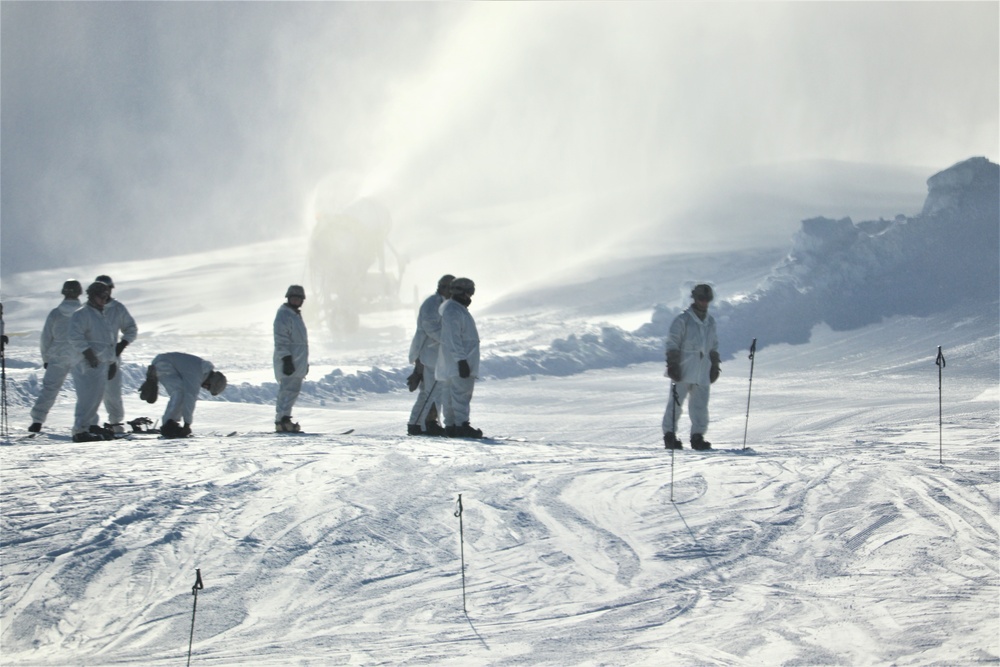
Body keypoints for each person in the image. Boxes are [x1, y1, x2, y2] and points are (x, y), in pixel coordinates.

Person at [663, 283, 721, 450]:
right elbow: (672, 342)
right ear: (695, 299)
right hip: (682, 369)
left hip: (703, 371)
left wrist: (715, 364)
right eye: (701, 299)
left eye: (706, 299)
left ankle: (697, 437)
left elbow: (713, 345)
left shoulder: (710, 322)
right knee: (675, 404)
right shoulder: (683, 320)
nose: (704, 302)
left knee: (700, 406)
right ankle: (669, 435)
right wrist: (673, 364)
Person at [29, 280, 83, 433]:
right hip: (80, 355)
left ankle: (37, 421)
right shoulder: (85, 312)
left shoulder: (55, 313)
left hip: (58, 355)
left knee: (49, 389)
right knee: (85, 391)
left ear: (63, 293)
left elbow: (46, 338)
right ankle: (85, 423)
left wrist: (46, 359)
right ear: (79, 293)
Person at [68, 281, 118, 442]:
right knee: (87, 398)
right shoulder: (82, 314)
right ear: (92, 295)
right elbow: (75, 336)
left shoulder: (102, 315)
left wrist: (111, 362)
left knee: (95, 398)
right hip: (87, 363)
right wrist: (88, 354)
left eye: (106, 296)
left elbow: (106, 342)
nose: (104, 299)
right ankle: (80, 430)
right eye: (101, 296)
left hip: (101, 363)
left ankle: (87, 427)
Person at [407, 274, 454, 436]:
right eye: (451, 288)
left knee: (434, 391)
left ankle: (423, 422)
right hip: (430, 354)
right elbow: (430, 326)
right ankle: (421, 423)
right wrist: (450, 339)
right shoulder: (432, 303)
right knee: (431, 391)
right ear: (443, 287)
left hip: (436, 355)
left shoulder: (444, 304)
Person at [436, 277, 482, 438]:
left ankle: (452, 425)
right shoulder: (454, 311)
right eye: (469, 293)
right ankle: (461, 425)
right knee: (461, 394)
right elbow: (453, 338)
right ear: (462, 292)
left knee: (450, 394)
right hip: (460, 361)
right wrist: (461, 360)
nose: (470, 297)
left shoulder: (453, 309)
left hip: (453, 362)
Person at [141, 352, 226, 438]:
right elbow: (190, 397)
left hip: (164, 362)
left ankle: (153, 377)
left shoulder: (201, 368)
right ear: (213, 381)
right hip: (164, 364)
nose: (203, 387)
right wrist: (187, 424)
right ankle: (168, 426)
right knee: (179, 392)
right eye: (207, 386)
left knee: (180, 392)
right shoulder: (197, 373)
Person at [94, 275, 138, 433]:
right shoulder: (86, 309)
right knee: (89, 392)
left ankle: (115, 423)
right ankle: (88, 423)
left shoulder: (117, 308)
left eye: (108, 289)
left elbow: (131, 328)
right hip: (90, 357)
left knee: (112, 392)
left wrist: (122, 345)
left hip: (111, 357)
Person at [273, 285, 309, 432]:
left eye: (298, 299)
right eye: (293, 298)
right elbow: (281, 339)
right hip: (289, 360)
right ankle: (281, 420)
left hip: (297, 360)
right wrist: (286, 359)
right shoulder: (284, 315)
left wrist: (303, 363)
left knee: (292, 391)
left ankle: (285, 419)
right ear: (288, 298)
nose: (295, 301)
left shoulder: (294, 315)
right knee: (287, 391)